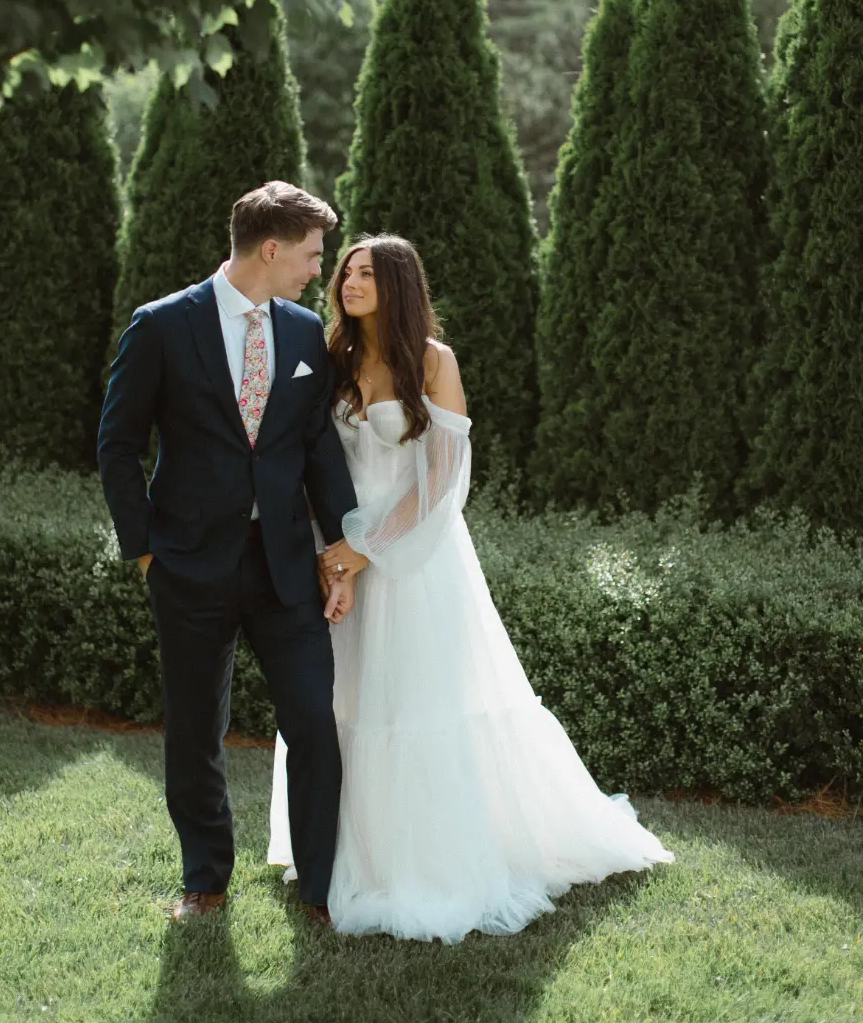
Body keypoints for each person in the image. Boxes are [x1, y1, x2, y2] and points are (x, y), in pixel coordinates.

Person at [269, 234, 674, 942]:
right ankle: (340, 854)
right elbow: (307, 458)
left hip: (415, 558)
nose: (348, 281)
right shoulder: (330, 357)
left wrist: (369, 550)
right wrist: (331, 552)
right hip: (333, 549)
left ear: (398, 284)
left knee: (416, 702)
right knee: (339, 704)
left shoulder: (432, 359)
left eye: (366, 272)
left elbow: (440, 480)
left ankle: (427, 861)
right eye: (344, 271)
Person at [99, 181, 357, 927]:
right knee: (194, 729)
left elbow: (315, 450)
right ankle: (204, 881)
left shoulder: (306, 333)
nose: (318, 269)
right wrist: (146, 550)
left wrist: (338, 550)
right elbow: (117, 446)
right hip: (188, 565)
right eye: (311, 254)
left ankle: (318, 889)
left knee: (312, 719)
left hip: (285, 567)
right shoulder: (160, 326)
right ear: (271, 248)